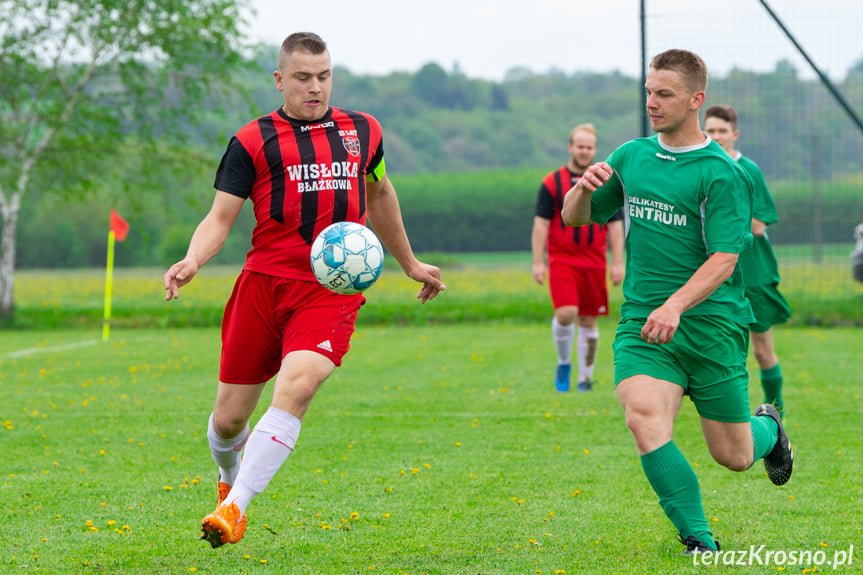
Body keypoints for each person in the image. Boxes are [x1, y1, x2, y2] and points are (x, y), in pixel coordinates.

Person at [163, 32, 445, 549]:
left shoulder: (364, 132)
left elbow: (380, 193)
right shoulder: (251, 141)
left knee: (299, 386)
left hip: (330, 289)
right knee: (228, 423)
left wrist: (408, 262)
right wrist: (192, 259)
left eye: (324, 75)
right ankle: (229, 478)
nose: (315, 87)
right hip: (263, 286)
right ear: (279, 80)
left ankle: (234, 508)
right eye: (303, 78)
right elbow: (219, 217)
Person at [561, 49, 793, 555]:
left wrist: (677, 306)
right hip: (645, 323)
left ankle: (767, 429)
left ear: (696, 100)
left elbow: (726, 259)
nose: (652, 102)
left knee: (731, 455)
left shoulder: (721, 173)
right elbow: (575, 217)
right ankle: (699, 539)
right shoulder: (631, 156)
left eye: (664, 94)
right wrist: (582, 188)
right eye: (648, 92)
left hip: (711, 325)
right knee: (642, 416)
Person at [704, 104, 791, 418]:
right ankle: (733, 411)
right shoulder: (704, 167)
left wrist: (722, 229)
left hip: (752, 272)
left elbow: (757, 226)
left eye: (722, 131)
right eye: (710, 131)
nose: (716, 136)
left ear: (734, 135)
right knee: (726, 348)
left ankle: (777, 411)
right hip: (717, 273)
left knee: (761, 349)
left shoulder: (748, 169)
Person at [531, 123, 624, 393]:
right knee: (566, 313)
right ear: (571, 148)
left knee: (589, 320)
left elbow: (616, 227)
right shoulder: (552, 182)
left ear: (595, 150)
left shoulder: (605, 181)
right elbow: (541, 224)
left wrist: (618, 262)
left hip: (595, 260)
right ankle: (563, 363)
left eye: (590, 147)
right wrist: (538, 262)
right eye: (580, 146)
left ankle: (585, 378)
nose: (584, 151)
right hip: (562, 259)